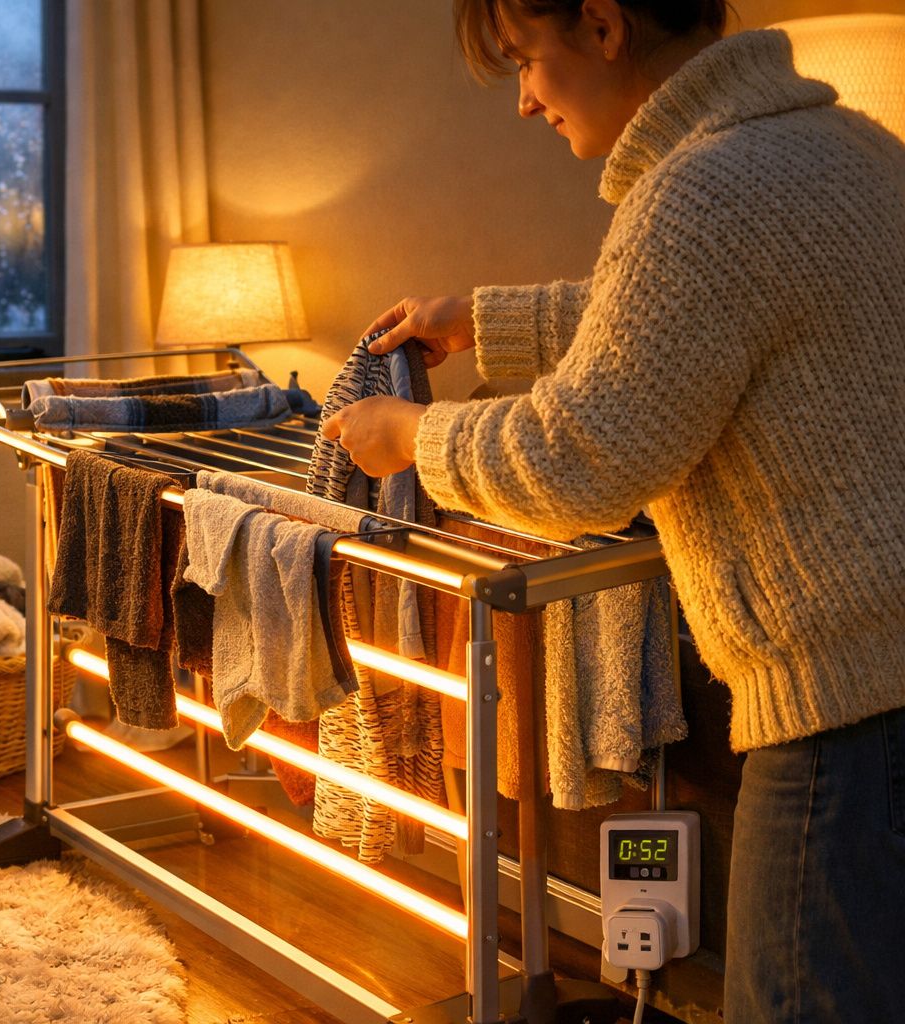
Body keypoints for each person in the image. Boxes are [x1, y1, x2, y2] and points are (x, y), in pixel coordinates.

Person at [320, 1, 905, 1020]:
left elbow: (580, 458)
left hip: (839, 729)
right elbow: (692, 312)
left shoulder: (698, 194)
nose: (524, 101)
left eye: (526, 60)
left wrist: (408, 438)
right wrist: (485, 320)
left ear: (600, 25)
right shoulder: (853, 148)